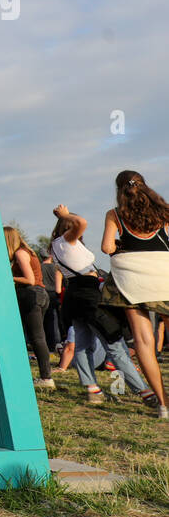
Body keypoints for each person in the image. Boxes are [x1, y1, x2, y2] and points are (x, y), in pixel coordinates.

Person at [51, 206, 152, 406]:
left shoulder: (57, 246)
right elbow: (82, 223)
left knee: (83, 344)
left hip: (74, 297)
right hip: (88, 297)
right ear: (68, 228)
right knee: (115, 345)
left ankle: (92, 389)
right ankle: (145, 392)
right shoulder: (66, 242)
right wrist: (65, 215)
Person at [99, 170, 169, 420]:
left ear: (120, 190)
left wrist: (122, 245)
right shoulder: (163, 210)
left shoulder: (115, 214)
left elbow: (107, 248)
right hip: (163, 275)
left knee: (143, 341)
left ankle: (163, 404)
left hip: (131, 279)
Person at [4, 226, 54, 388]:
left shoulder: (20, 253)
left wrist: (9, 276)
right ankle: (44, 376)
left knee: (36, 338)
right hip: (40, 295)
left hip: (31, 294)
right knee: (37, 337)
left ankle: (46, 378)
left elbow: (29, 279)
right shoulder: (28, 252)